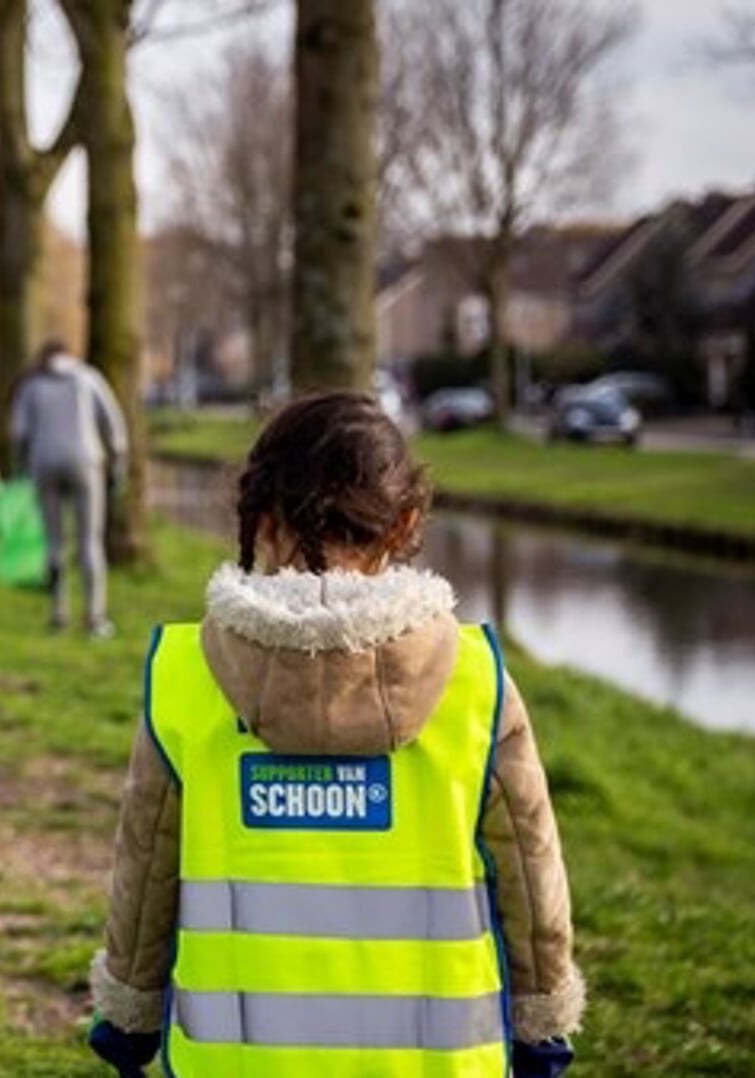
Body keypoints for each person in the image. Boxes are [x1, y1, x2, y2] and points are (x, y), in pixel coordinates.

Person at [87, 392, 581, 1078]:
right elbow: (529, 871)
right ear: (404, 521)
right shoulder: (476, 683)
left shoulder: (185, 677)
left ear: (258, 514)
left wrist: (130, 1013)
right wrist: (540, 1023)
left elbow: (146, 867)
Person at [11, 339, 125, 639]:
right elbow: (113, 424)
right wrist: (117, 464)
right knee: (89, 541)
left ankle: (59, 612)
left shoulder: (31, 386)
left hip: (43, 464)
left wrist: (22, 466)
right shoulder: (88, 378)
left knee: (54, 541)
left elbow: (19, 432)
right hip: (86, 463)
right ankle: (94, 617)